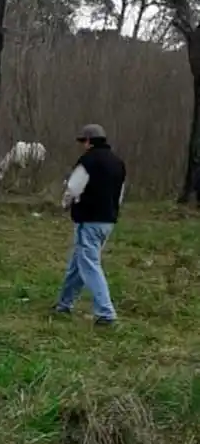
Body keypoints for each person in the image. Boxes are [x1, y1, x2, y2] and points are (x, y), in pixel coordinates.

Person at [55, 124, 126, 325]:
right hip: (108, 220)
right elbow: (119, 194)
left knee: (89, 265)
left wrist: (64, 204)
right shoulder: (118, 163)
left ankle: (106, 313)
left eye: (83, 141)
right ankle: (64, 304)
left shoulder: (88, 161)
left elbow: (73, 188)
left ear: (88, 141)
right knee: (78, 263)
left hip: (88, 220)